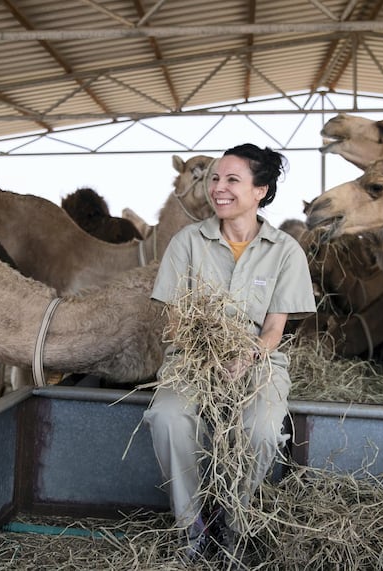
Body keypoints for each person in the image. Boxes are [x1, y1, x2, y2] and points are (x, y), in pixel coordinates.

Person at [143, 143, 316, 563]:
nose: (218, 188)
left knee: (261, 429)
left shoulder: (285, 250)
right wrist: (205, 355)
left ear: (261, 190)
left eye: (231, 180)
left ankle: (231, 520)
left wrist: (247, 357)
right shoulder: (188, 242)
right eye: (216, 179)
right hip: (192, 358)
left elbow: (274, 328)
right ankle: (192, 527)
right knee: (167, 418)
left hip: (258, 358)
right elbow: (173, 320)